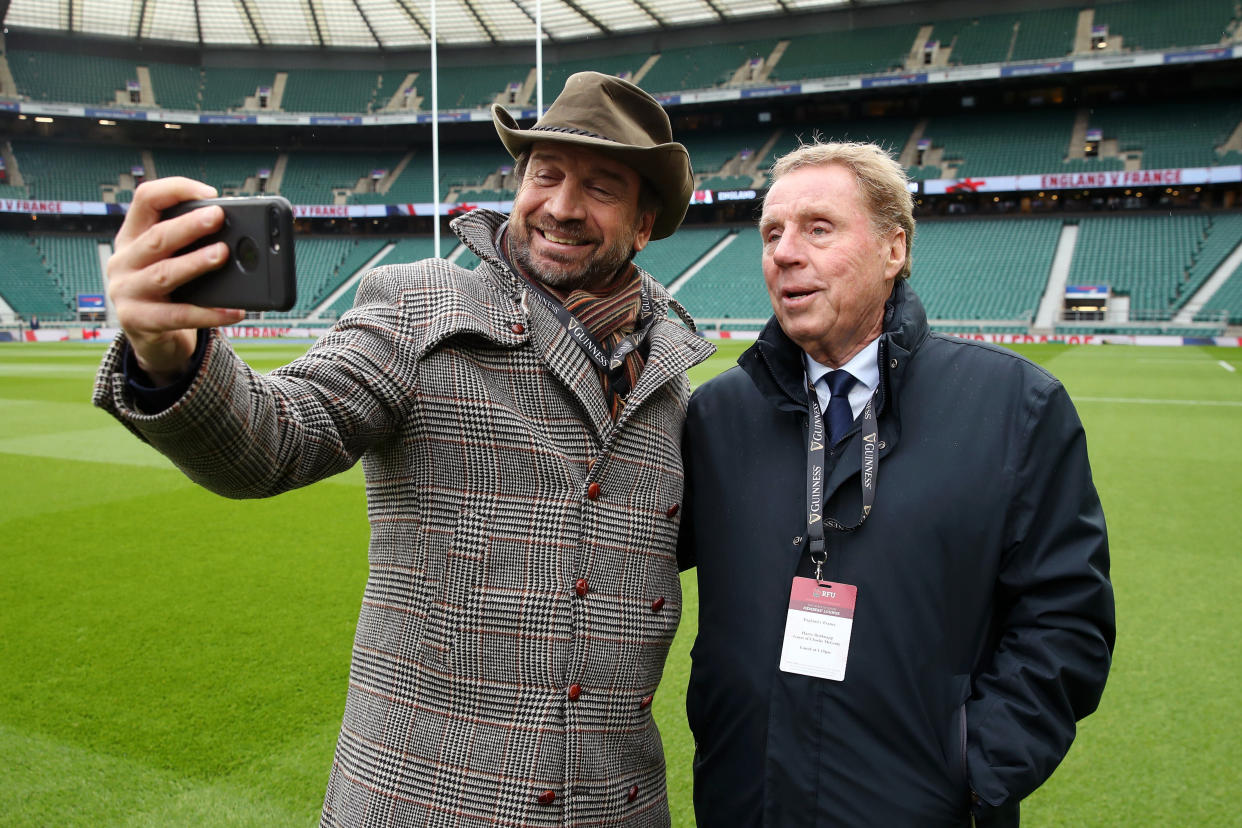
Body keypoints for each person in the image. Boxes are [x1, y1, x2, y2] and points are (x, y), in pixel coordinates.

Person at [93, 72, 713, 827]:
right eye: (544, 174)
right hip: (423, 802)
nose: (560, 205)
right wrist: (169, 354)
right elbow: (280, 436)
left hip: (618, 807)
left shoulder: (673, 383)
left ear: (644, 226)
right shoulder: (420, 305)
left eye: (601, 186)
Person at [677, 141, 1115, 827]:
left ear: (894, 250)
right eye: (771, 233)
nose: (785, 252)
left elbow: (1067, 621)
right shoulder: (716, 415)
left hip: (922, 807)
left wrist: (971, 768)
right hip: (744, 801)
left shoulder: (1015, 407)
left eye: (819, 228)